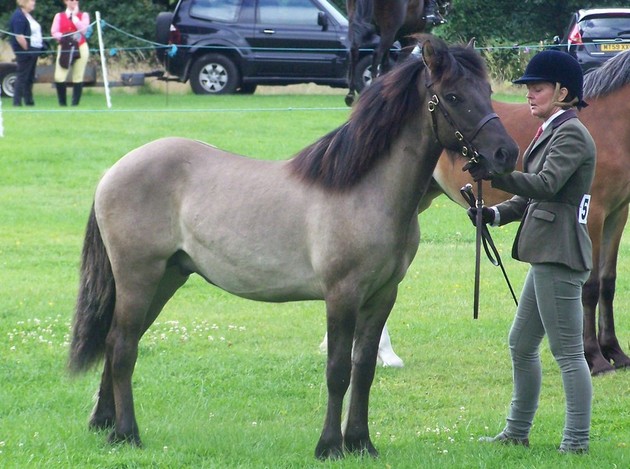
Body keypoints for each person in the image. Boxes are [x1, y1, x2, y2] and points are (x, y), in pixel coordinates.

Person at [467, 50, 596, 454]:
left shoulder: (572, 133)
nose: (529, 94)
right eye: (527, 88)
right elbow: (529, 200)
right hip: (545, 251)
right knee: (521, 344)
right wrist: (493, 213)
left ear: (562, 92)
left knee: (569, 353)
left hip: (559, 254)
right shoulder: (550, 130)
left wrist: (499, 174)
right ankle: (516, 431)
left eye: (536, 88)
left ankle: (575, 443)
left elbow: (545, 185)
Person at [51, 0, 90, 106]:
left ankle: (75, 105)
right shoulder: (59, 16)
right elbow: (54, 32)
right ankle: (62, 104)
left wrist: (74, 17)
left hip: (80, 47)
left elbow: (84, 30)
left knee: (78, 76)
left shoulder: (84, 15)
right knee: (59, 76)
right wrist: (65, 36)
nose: (75, 1)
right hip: (65, 47)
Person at [9, 0, 43, 107]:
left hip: (33, 49)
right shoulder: (18, 16)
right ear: (25, 2)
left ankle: (29, 100)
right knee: (22, 76)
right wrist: (27, 50)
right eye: (32, 1)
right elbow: (19, 36)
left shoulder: (27, 15)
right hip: (25, 51)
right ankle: (17, 102)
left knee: (29, 76)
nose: (34, 2)